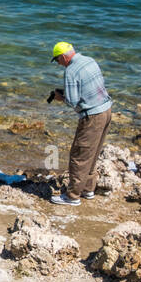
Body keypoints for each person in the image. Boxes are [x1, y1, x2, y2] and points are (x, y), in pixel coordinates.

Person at [47, 41, 113, 206]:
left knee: (79, 155)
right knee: (93, 152)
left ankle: (72, 196)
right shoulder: (89, 60)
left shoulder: (70, 71)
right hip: (106, 110)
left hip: (92, 117)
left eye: (57, 60)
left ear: (63, 57)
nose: (58, 64)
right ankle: (88, 189)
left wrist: (59, 97)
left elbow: (72, 101)